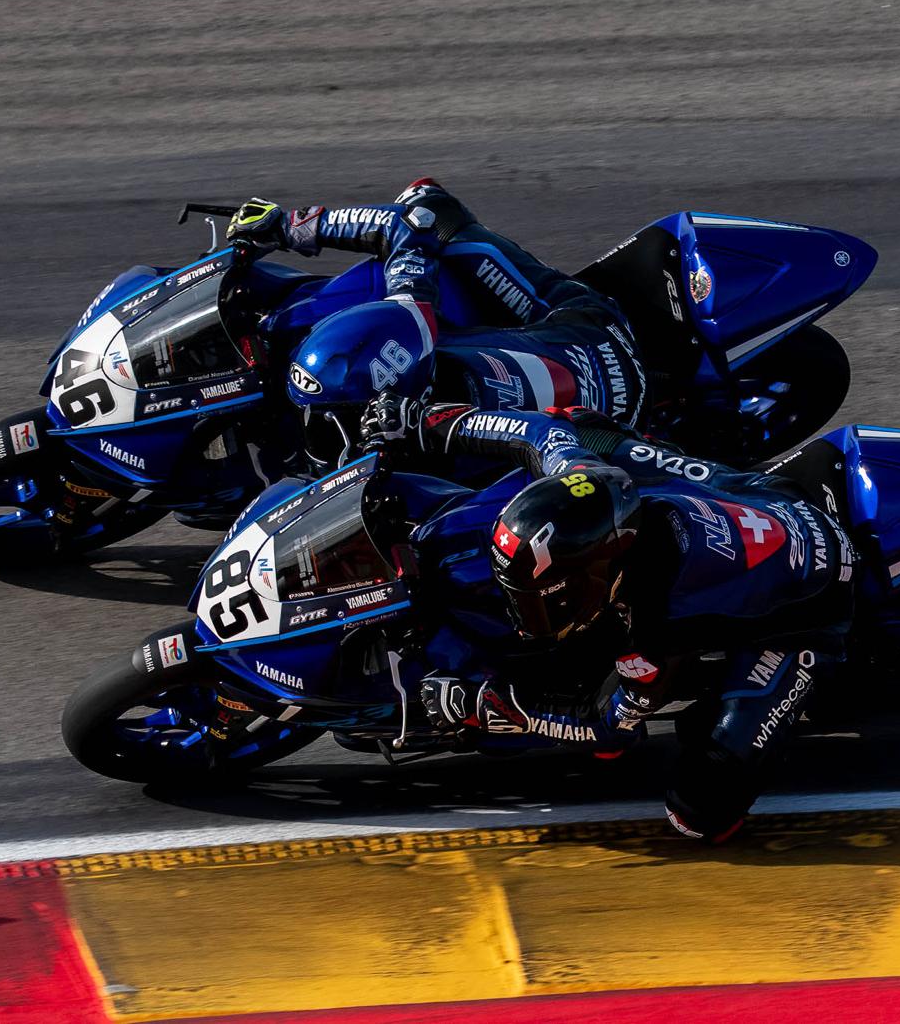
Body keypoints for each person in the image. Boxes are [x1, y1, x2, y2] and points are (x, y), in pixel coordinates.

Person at [359, 392, 857, 841]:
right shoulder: (588, 479)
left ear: (600, 577)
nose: (525, 617)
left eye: (542, 601)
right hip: (764, 494)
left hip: (817, 604)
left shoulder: (652, 626)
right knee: (581, 424)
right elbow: (537, 431)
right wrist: (425, 422)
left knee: (699, 811)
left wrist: (486, 704)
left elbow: (609, 724)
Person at [224, 180, 648, 426]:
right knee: (425, 200)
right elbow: (412, 222)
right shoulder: (415, 317)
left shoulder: (443, 429)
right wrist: (291, 226)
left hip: (603, 376)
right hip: (588, 336)